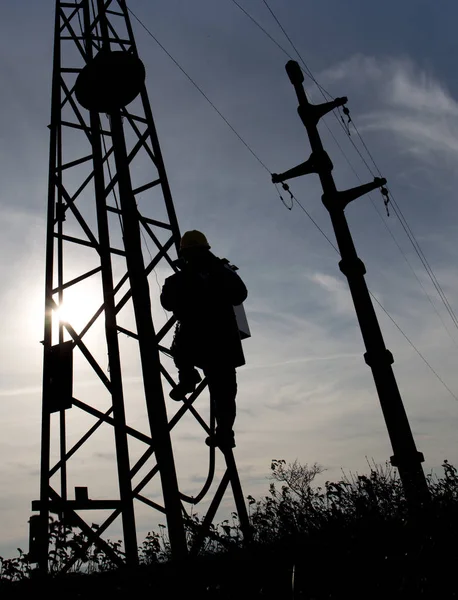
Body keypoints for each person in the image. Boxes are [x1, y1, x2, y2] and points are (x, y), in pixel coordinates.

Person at [160, 230, 248, 450]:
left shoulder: (209, 274)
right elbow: (168, 301)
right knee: (224, 392)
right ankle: (224, 433)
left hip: (208, 340)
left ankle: (224, 431)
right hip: (215, 342)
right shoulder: (211, 273)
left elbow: (239, 294)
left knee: (224, 391)